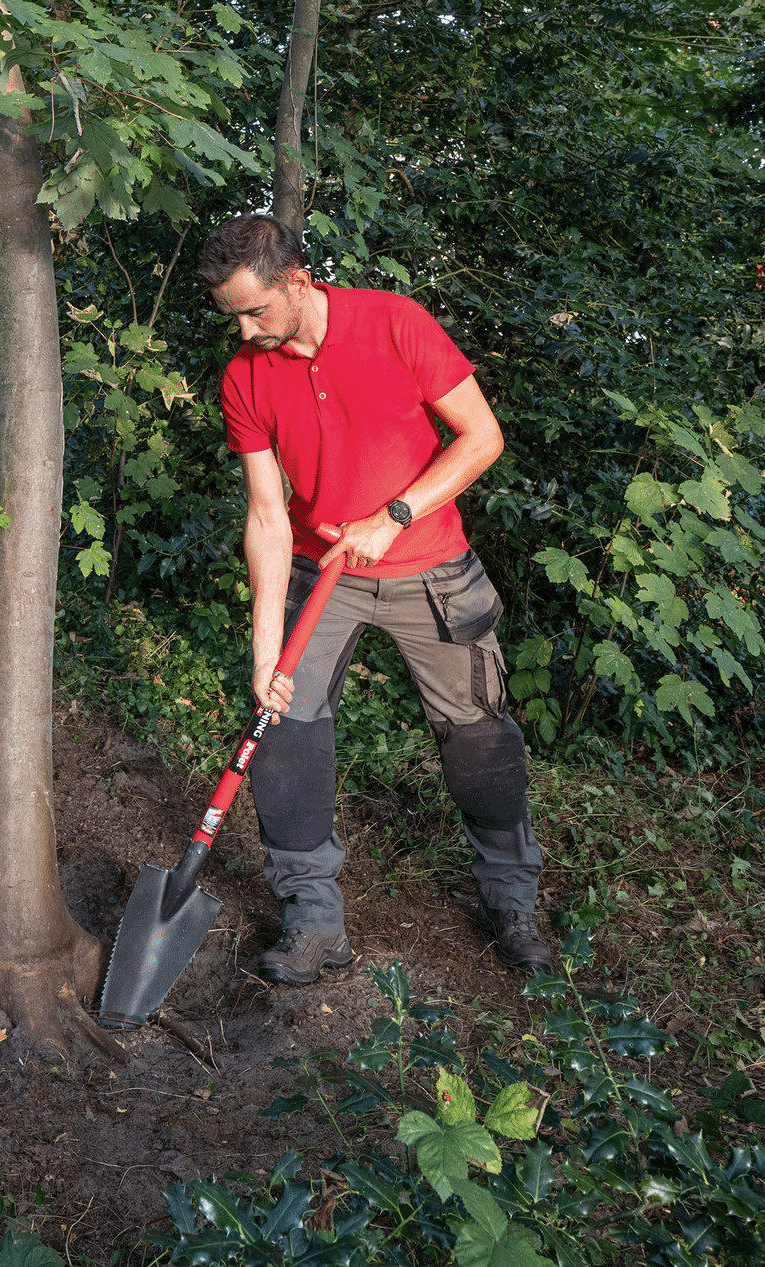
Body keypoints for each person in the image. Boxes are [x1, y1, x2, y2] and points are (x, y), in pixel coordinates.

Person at [195, 213, 550, 985]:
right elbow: (265, 516)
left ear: (297, 279)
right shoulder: (245, 376)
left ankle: (511, 899)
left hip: (431, 563)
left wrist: (395, 516)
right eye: (233, 316)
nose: (247, 330)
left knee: (481, 741)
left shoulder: (395, 323)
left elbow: (481, 438)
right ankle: (314, 922)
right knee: (282, 732)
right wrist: (265, 654)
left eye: (256, 310)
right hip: (323, 575)